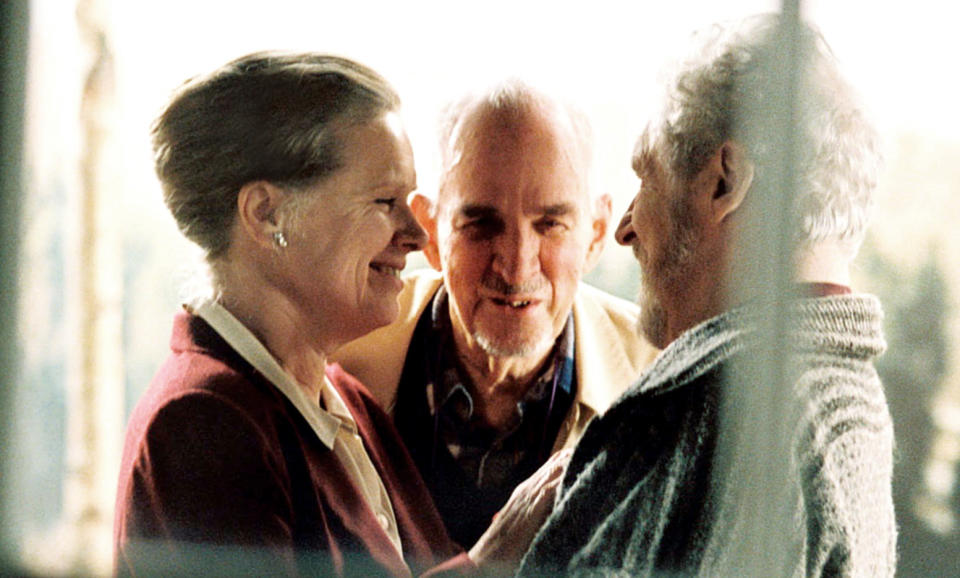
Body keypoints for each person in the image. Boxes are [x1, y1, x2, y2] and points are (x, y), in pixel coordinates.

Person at [112, 51, 565, 577]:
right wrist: (488, 565)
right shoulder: (201, 425)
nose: (417, 236)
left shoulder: (349, 403)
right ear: (266, 213)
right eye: (382, 201)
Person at [518, 14, 896, 577]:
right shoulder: (850, 410)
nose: (624, 228)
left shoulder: (719, 421)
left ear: (724, 182)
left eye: (647, 178)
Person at [332, 80, 659, 547]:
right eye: (480, 224)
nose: (516, 263)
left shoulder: (663, 386)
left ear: (596, 234)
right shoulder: (334, 362)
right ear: (430, 232)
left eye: (550, 224)